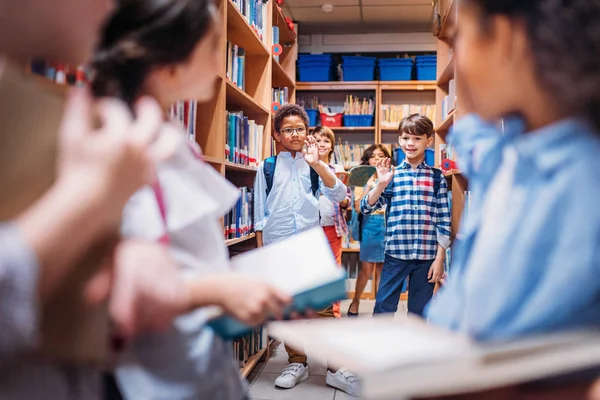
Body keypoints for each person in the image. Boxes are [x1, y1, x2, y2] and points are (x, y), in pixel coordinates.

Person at [92, 1, 291, 399]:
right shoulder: (128, 142)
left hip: (194, 356)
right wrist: (218, 291)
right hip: (152, 372)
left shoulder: (168, 134)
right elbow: (123, 284)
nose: (221, 59)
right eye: (213, 45)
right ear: (169, 65)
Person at [424, 0, 600, 341]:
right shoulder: (512, 153)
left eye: (460, 39)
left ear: (504, 39)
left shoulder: (568, 190)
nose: (457, 58)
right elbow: (474, 137)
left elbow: (475, 329)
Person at [253, 105, 358, 396]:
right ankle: (296, 362)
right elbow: (260, 212)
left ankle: (336, 368)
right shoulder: (267, 167)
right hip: (279, 246)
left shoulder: (316, 165)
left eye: (300, 128)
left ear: (307, 132)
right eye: (288, 129)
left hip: (311, 247)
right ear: (277, 134)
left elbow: (339, 195)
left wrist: (318, 164)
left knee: (324, 308)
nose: (295, 134)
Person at [361, 114, 451, 318]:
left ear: (429, 141)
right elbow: (366, 208)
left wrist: (440, 258)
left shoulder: (437, 178)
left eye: (417, 138)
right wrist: (381, 184)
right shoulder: (390, 176)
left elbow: (443, 220)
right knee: (383, 307)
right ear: (399, 140)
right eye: (405, 138)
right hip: (395, 254)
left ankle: (415, 350)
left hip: (427, 257)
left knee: (419, 313)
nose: (410, 143)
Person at [347, 144, 391, 317]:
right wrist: (371, 187)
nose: (377, 158)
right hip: (371, 223)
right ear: (367, 159)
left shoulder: (390, 175)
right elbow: (358, 207)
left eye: (381, 155)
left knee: (383, 268)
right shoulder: (361, 178)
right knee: (366, 268)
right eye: (373, 156)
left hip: (388, 223)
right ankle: (356, 301)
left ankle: (379, 307)